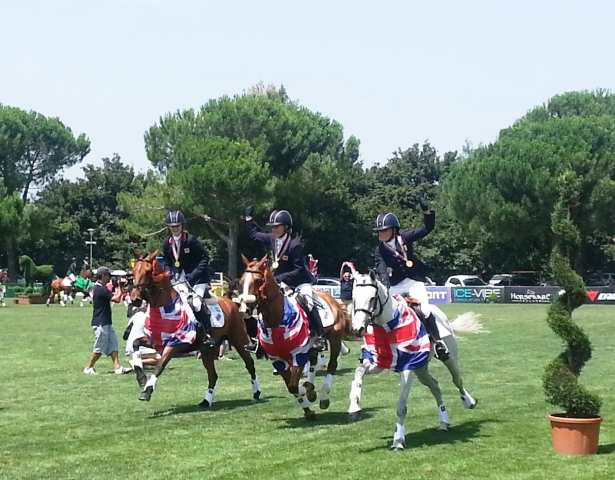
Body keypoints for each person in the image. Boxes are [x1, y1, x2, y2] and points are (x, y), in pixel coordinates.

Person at [373, 196, 449, 361]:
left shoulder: (405, 238)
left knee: (426, 309)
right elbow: (381, 267)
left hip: (414, 281)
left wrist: (426, 212)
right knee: (381, 308)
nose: (382, 233)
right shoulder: (380, 249)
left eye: (385, 230)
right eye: (380, 231)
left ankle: (438, 342)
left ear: (394, 229)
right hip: (396, 283)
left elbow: (427, 228)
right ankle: (380, 344)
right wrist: (384, 281)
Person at [244, 205, 327, 352]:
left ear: (286, 227)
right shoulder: (272, 239)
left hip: (299, 281)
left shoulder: (294, 245)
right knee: (263, 301)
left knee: (307, 301)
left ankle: (320, 336)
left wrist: (279, 278)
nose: (274, 230)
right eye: (273, 227)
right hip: (279, 282)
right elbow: (254, 235)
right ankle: (260, 339)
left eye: (278, 227)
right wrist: (249, 219)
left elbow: (299, 270)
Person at [162, 210, 215, 348]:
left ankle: (208, 334)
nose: (175, 228)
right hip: (179, 278)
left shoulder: (191, 240)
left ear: (182, 225)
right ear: (169, 227)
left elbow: (205, 258)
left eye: (178, 225)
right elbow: (167, 261)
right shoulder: (167, 243)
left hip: (198, 279)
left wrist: (194, 275)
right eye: (172, 226)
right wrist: (168, 272)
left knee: (196, 303)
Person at [83, 266, 133, 375]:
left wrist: (121, 289)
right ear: (103, 276)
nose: (110, 277)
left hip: (105, 321)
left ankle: (118, 367)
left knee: (113, 345)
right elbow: (116, 299)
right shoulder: (100, 288)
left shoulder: (100, 287)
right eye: (108, 275)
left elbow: (116, 297)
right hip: (101, 322)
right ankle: (88, 368)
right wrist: (120, 287)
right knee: (100, 347)